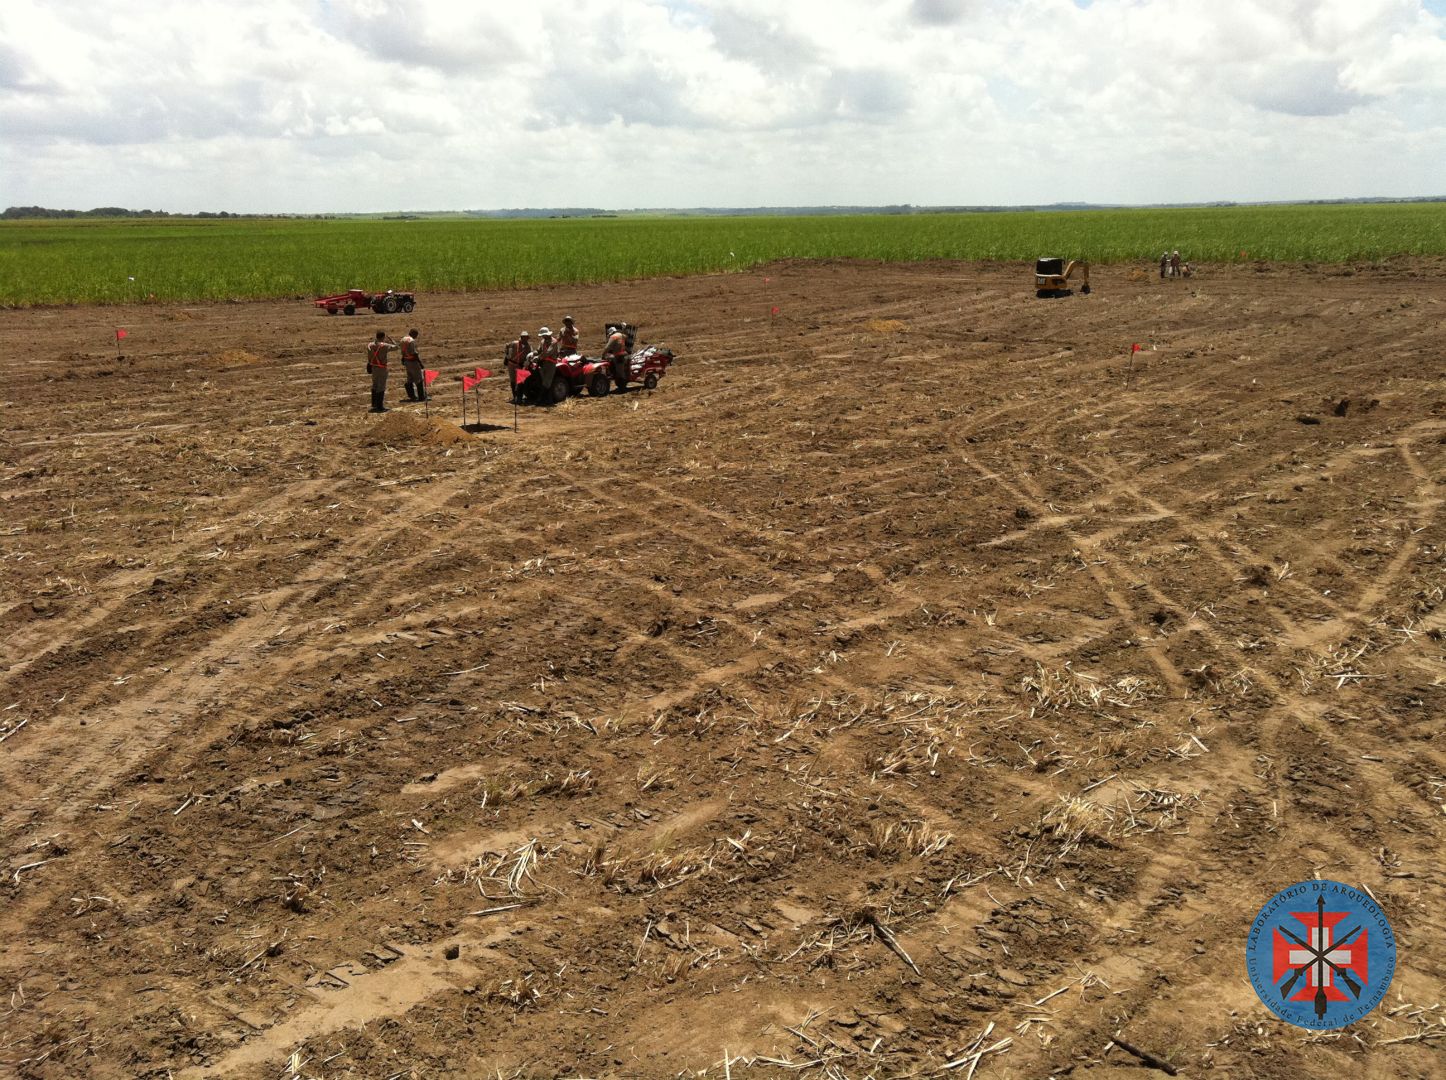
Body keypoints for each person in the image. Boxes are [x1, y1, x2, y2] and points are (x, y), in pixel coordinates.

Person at [366, 330, 398, 413]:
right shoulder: (385, 345)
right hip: (382, 368)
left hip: (374, 367)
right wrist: (391, 340)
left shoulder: (370, 345)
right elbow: (396, 347)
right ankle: (380, 407)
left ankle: (374, 404)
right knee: (381, 386)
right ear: (383, 337)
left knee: (375, 385)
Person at [504, 330, 531, 403]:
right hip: (512, 364)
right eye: (523, 337)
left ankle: (519, 397)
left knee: (520, 382)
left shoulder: (528, 347)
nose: (525, 339)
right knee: (513, 381)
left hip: (520, 365)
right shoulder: (514, 343)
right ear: (521, 338)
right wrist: (507, 357)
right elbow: (507, 346)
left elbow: (528, 357)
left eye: (526, 338)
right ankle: (515, 397)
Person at [399, 328, 426, 402]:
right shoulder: (411, 341)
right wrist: (420, 363)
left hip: (406, 361)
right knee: (419, 379)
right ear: (414, 334)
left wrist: (403, 359)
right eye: (416, 335)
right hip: (413, 362)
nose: (416, 337)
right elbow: (414, 354)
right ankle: (421, 397)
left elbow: (403, 351)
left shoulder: (403, 339)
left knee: (410, 379)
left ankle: (412, 396)